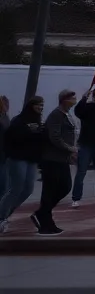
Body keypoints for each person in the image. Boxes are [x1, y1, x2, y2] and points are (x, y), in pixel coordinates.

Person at [33, 89, 78, 235]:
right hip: (51, 158)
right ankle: (45, 222)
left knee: (65, 186)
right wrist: (69, 149)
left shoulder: (66, 115)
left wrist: (71, 151)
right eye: (72, 98)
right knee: (50, 190)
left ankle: (42, 213)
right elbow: (55, 137)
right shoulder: (56, 115)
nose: (74, 100)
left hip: (62, 158)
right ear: (64, 100)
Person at [0, 96, 47, 234]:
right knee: (15, 188)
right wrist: (29, 131)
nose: (40, 107)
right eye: (38, 105)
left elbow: (39, 140)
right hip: (17, 158)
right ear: (31, 106)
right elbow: (12, 136)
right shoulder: (19, 120)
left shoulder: (38, 122)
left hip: (31, 159)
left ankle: (6, 213)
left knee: (27, 189)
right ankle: (2, 216)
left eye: (42, 105)